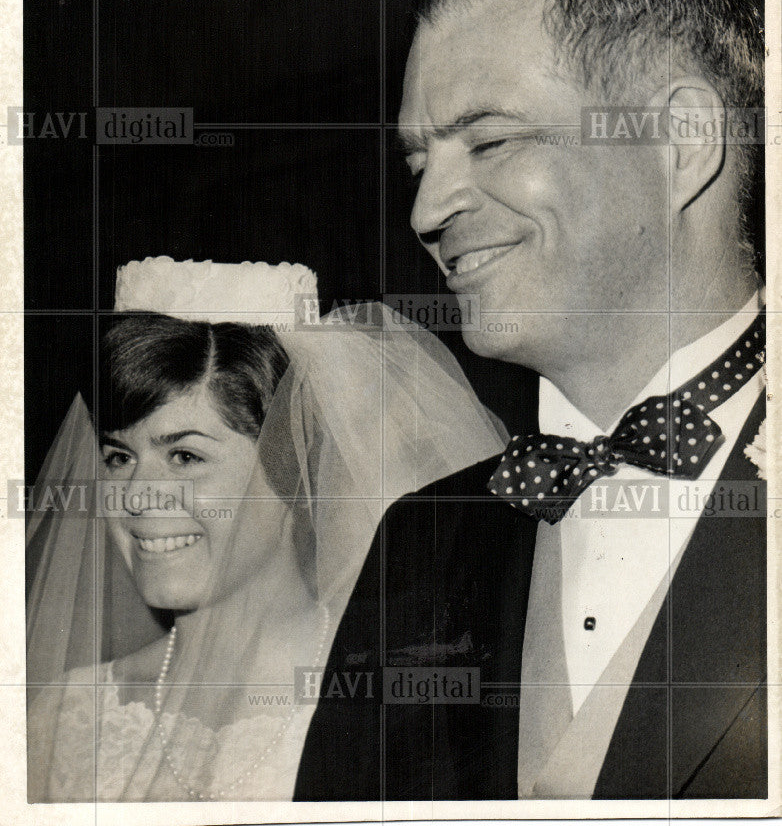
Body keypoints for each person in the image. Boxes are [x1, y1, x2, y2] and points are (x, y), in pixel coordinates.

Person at [296, 0, 767, 800]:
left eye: (491, 141)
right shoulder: (416, 542)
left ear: (680, 142)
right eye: (417, 164)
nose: (426, 213)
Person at [26, 256, 507, 801]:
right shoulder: (64, 715)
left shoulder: (397, 704)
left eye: (184, 456)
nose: (135, 496)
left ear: (292, 465)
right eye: (117, 457)